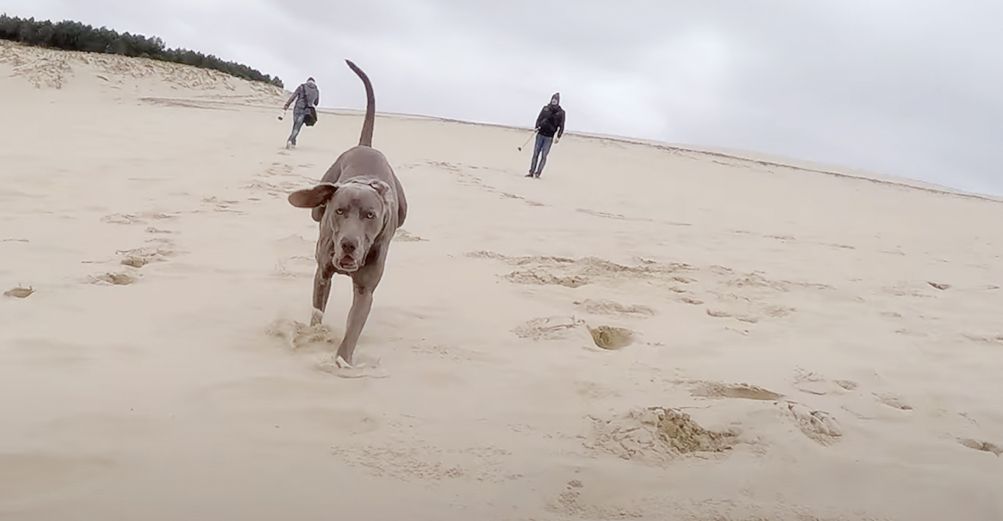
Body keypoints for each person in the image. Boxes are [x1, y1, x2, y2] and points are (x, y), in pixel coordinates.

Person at [526, 92, 565, 178]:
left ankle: (538, 173)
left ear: (558, 101)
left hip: (549, 137)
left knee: (544, 155)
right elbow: (539, 118)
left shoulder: (561, 112)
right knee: (535, 153)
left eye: (556, 99)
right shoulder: (545, 108)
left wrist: (558, 136)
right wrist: (536, 127)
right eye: (553, 99)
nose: (554, 101)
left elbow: (561, 125)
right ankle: (531, 171)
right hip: (540, 134)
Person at [282, 77, 320, 149]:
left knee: (295, 124)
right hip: (306, 111)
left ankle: (292, 141)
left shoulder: (302, 86)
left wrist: (287, 105)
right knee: (297, 127)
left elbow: (293, 96)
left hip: (297, 108)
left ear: (307, 81)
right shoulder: (316, 91)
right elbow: (316, 103)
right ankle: (291, 141)